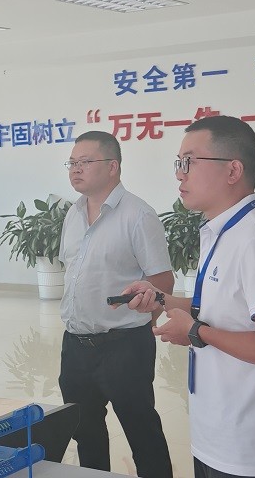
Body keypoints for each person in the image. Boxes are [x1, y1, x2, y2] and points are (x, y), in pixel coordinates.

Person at [123, 115, 255, 478]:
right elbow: (220, 309)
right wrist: (162, 299)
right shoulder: (221, 230)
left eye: (189, 162)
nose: (180, 174)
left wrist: (194, 332)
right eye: (178, 163)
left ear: (233, 170)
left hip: (248, 446)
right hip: (213, 433)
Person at [59, 130, 173, 477]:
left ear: (113, 166)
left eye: (85, 162)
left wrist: (143, 317)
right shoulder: (73, 214)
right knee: (85, 432)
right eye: (72, 163)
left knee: (142, 432)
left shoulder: (139, 215)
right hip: (76, 344)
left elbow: (163, 282)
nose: (76, 169)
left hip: (124, 346)